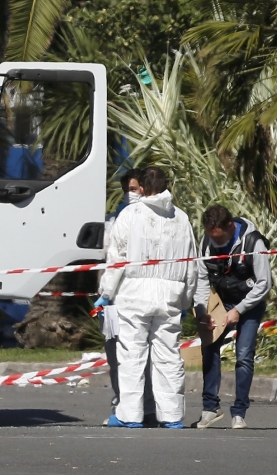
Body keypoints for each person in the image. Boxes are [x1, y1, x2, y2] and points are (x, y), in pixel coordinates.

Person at [97, 167, 197, 429]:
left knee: (132, 356)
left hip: (135, 293)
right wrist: (186, 300)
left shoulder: (130, 214)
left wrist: (106, 294)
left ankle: (130, 414)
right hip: (170, 295)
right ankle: (172, 415)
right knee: (168, 356)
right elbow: (191, 264)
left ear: (141, 188)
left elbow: (117, 258)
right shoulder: (182, 218)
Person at [193, 205, 271, 430]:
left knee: (244, 355)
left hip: (250, 302)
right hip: (221, 301)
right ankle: (210, 408)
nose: (216, 243)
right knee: (209, 347)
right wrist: (202, 312)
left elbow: (264, 283)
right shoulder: (206, 242)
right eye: (211, 237)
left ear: (230, 226)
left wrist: (239, 309)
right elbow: (200, 279)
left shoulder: (253, 242)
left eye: (220, 238)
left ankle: (239, 412)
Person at [97, 168, 156, 424]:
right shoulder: (114, 220)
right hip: (112, 302)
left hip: (139, 296)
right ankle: (122, 401)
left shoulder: (160, 220)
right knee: (115, 354)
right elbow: (107, 255)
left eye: (135, 189)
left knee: (145, 356)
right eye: (128, 190)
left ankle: (149, 407)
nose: (132, 194)